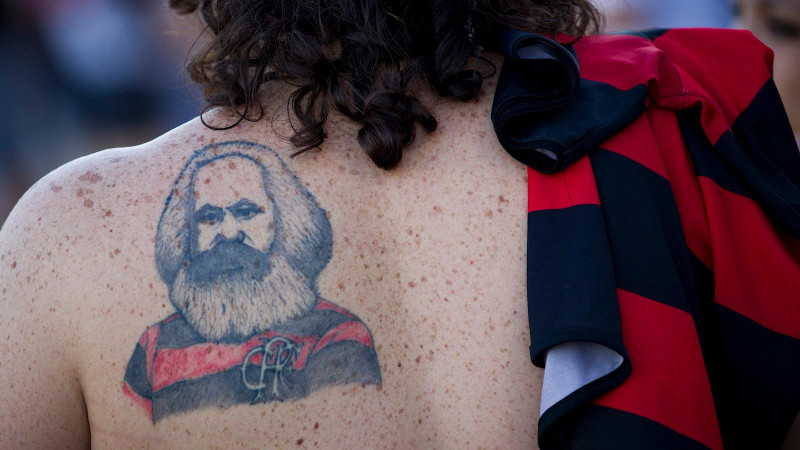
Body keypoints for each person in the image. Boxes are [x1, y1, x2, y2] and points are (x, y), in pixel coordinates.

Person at [1, 2, 798, 450]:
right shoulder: (685, 139)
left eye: (246, 213)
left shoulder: (73, 236)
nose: (231, 234)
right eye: (214, 218)